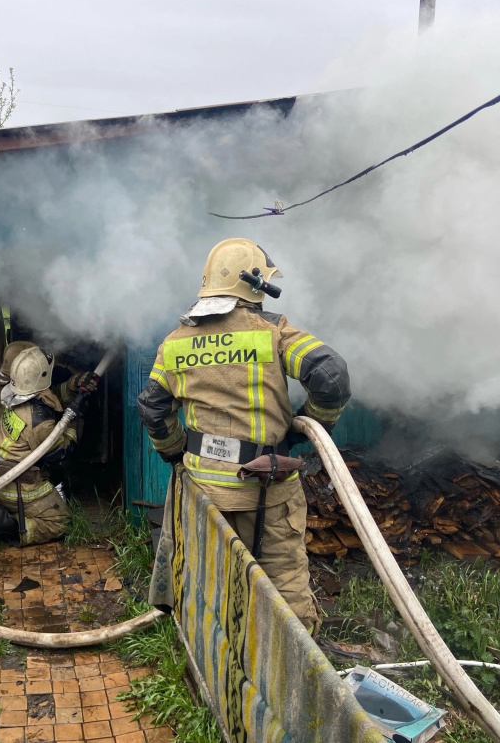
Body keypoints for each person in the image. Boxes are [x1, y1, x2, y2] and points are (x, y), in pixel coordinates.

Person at [137, 237, 350, 635]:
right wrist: (307, 426)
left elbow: (153, 407)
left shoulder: (175, 342)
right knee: (284, 591)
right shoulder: (271, 331)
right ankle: (291, 667)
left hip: (204, 495)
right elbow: (331, 376)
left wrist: (175, 452)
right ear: (254, 284)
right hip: (267, 489)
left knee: (211, 586)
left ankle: (215, 659)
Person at [0, 345, 99, 545]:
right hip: (16, 484)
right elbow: (60, 453)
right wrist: (73, 421)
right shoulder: (40, 421)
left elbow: (50, 396)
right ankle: (9, 525)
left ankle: (0, 508)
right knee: (60, 522)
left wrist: (72, 384)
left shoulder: (13, 395)